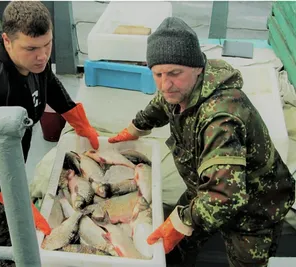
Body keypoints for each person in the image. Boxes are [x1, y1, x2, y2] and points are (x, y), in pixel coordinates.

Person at [108, 17, 295, 267]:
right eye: (158, 74)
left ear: (197, 68)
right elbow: (163, 102)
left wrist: (180, 224)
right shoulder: (182, 87)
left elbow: (224, 195)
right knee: (177, 247)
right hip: (205, 188)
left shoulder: (221, 120)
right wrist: (136, 127)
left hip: (253, 209)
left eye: (174, 73)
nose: (165, 84)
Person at [0, 1, 99, 266]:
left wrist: (78, 120)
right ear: (7, 40)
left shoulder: (36, 63)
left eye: (47, 45)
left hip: (5, 164)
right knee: (7, 246)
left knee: (8, 228)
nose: (42, 56)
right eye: (31, 48)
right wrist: (16, 200)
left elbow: (49, 81)